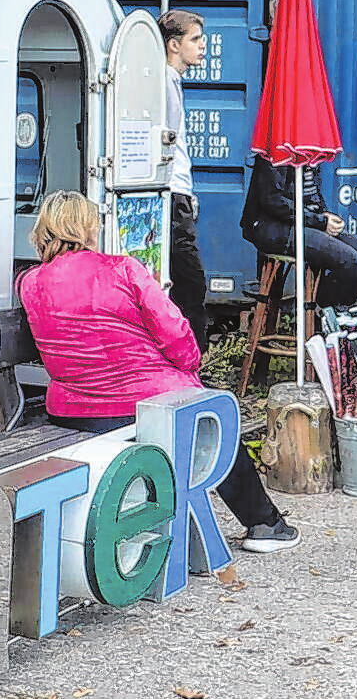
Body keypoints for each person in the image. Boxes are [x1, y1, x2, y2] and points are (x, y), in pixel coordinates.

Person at [18, 191, 299, 552]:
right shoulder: (122, 269)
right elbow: (178, 335)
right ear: (89, 228)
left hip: (72, 411)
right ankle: (265, 524)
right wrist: (188, 368)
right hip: (144, 402)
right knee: (216, 422)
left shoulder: (29, 283)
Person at [239, 154, 357, 307]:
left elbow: (311, 192)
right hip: (273, 228)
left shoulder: (310, 150)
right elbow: (273, 202)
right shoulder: (277, 151)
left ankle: (340, 310)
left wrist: (323, 213)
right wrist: (320, 221)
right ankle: (325, 311)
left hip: (305, 221)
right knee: (348, 259)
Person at [160, 10, 211, 351]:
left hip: (179, 193)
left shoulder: (172, 82)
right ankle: (193, 356)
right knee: (190, 281)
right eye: (195, 39)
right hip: (171, 194)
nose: (203, 46)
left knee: (185, 281)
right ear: (174, 44)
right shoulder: (163, 82)